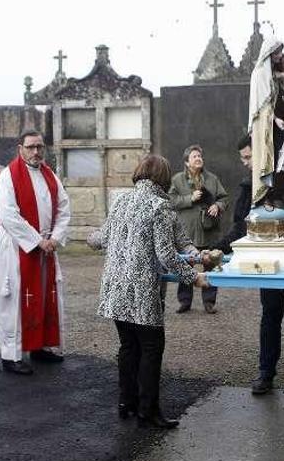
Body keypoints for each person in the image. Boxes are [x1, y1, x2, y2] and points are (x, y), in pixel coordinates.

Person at [89, 155, 209, 428]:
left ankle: (126, 403)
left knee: (128, 347)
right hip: (143, 292)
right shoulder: (160, 207)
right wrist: (194, 278)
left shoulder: (121, 201)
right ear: (164, 179)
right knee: (151, 349)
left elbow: (102, 239)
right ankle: (148, 411)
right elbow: (167, 255)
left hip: (116, 290)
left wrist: (90, 237)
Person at [214, 136, 284, 394]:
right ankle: (266, 372)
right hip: (267, 259)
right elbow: (241, 226)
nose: (245, 163)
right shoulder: (250, 184)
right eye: (242, 158)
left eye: (247, 157)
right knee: (271, 314)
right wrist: (218, 248)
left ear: (262, 153)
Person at [0, 130, 71, 375]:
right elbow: (7, 214)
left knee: (44, 295)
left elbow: (64, 207)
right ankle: (10, 356)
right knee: (14, 301)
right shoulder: (8, 176)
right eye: (31, 147)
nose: (36, 152)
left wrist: (54, 237)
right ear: (20, 147)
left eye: (40, 147)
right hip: (17, 247)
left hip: (46, 248)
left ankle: (39, 346)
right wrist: (36, 240)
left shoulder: (49, 175)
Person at [248, 35, 284, 210]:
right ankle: (267, 197)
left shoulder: (275, 75)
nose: (279, 56)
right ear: (269, 53)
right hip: (267, 127)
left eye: (280, 53)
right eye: (276, 53)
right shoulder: (259, 74)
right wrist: (275, 119)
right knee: (271, 161)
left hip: (280, 126)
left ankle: (283, 195)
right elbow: (262, 105)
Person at [168, 145, 228, 314]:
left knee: (210, 265)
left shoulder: (212, 179)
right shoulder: (177, 180)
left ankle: (209, 302)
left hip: (209, 231)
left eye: (200, 156)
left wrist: (218, 205)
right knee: (186, 265)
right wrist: (189, 198)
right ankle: (185, 301)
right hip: (187, 234)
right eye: (194, 156)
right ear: (187, 162)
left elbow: (224, 198)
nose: (198, 158)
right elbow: (170, 201)